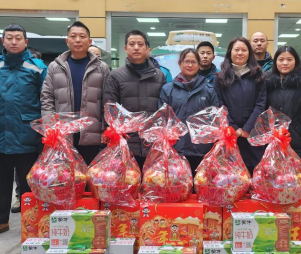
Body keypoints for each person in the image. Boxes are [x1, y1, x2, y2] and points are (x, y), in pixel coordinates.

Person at [0, 24, 47, 239]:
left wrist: (44, 130)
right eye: (9, 38)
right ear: (3, 42)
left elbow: (45, 101)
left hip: (28, 133)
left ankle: (32, 224)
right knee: (0, 181)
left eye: (18, 38)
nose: (14, 42)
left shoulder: (37, 67)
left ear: (26, 42)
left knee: (29, 184)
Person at [41, 21, 110, 165]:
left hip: (91, 134)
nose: (78, 40)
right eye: (73, 36)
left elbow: (107, 100)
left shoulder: (102, 68)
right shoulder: (55, 67)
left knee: (90, 175)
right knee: (65, 175)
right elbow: (47, 97)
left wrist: (106, 128)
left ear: (89, 41)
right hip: (63, 134)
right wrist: (49, 127)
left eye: (82, 36)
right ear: (67, 41)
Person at [103, 30, 166, 168]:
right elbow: (110, 109)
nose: (136, 47)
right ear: (125, 48)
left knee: (153, 179)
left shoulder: (159, 76)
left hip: (153, 144)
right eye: (132, 44)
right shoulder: (115, 75)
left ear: (147, 49)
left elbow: (164, 111)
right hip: (126, 144)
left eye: (140, 44)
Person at [159, 48, 220, 173]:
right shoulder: (167, 89)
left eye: (193, 62)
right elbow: (162, 118)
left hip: (202, 150)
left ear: (198, 65)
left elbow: (215, 119)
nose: (190, 65)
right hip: (176, 149)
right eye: (187, 61)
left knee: (200, 183)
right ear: (180, 63)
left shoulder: (209, 90)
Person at [214, 37, 267, 175]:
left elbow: (261, 103)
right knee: (231, 175)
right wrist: (234, 128)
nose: (240, 53)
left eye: (244, 50)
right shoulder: (220, 77)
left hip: (253, 133)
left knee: (255, 173)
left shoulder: (258, 75)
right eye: (236, 49)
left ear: (249, 53)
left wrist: (247, 128)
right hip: (229, 134)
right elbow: (219, 105)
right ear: (230, 52)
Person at [266, 46, 301, 165]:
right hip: (271, 140)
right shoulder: (267, 83)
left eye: (289, 59)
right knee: (273, 174)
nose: (285, 63)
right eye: (281, 59)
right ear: (275, 62)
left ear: (296, 61)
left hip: (296, 140)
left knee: (297, 174)